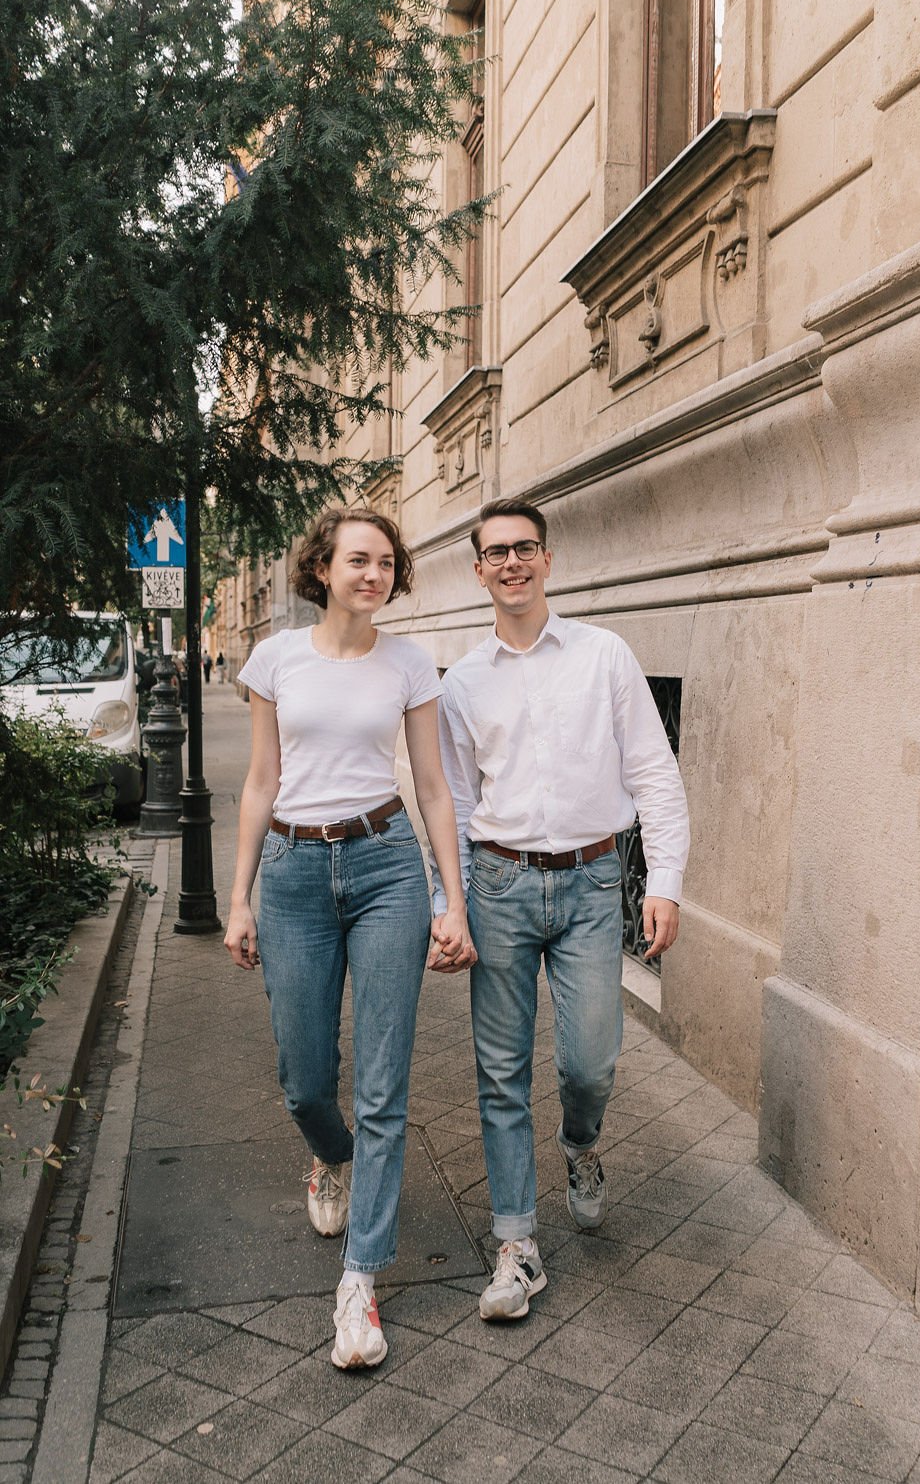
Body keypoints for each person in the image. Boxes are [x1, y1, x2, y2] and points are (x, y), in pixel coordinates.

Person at [223, 507, 476, 1370]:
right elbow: (261, 781)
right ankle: (331, 1159)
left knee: (383, 1080)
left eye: (386, 562)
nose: (375, 573)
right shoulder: (275, 659)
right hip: (293, 873)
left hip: (387, 867)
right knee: (303, 1078)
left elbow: (435, 787)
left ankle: (360, 1280)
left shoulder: (409, 663)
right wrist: (239, 896)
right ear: (322, 568)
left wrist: (453, 899)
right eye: (358, 560)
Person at [432, 498, 689, 1321]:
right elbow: (456, 807)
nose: (512, 562)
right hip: (500, 886)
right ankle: (517, 1246)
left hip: (588, 884)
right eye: (496, 552)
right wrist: (453, 905)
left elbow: (653, 771)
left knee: (590, 1062)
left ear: (548, 560)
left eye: (526, 548)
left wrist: (665, 880)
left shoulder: (605, 655)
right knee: (501, 1073)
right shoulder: (461, 683)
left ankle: (580, 1145)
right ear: (477, 569)